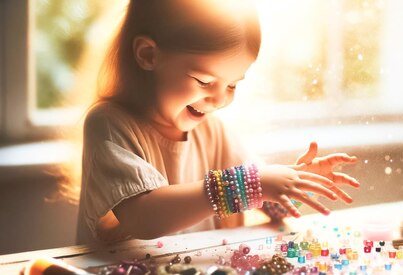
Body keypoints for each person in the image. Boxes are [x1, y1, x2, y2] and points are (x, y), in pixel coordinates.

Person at [76, 0, 359, 243]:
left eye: (233, 85)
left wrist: (295, 183)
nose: (219, 99)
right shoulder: (109, 124)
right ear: (148, 55)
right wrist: (245, 186)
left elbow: (257, 191)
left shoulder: (212, 128)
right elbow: (143, 218)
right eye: (205, 81)